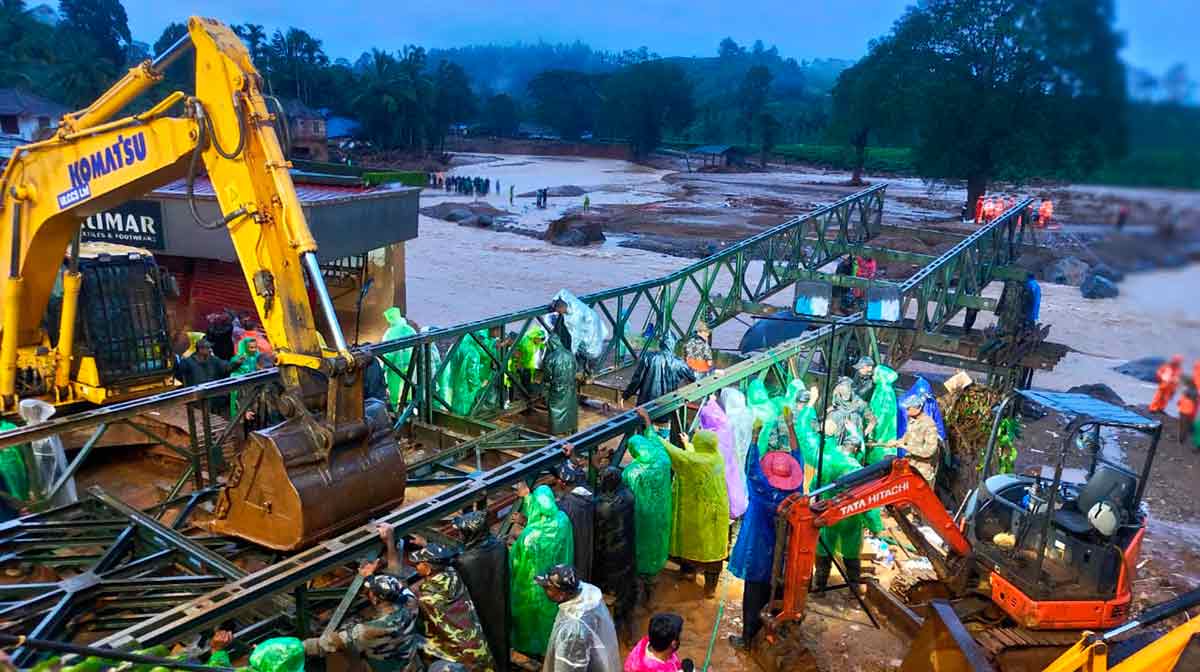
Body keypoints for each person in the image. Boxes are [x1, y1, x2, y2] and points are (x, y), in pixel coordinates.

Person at [728, 407, 805, 649]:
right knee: (779, 595)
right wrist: (791, 425)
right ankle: (776, 634)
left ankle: (748, 638)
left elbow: (751, 465)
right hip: (783, 559)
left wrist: (754, 436)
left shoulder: (760, 490)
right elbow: (798, 454)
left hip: (758, 555)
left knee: (753, 598)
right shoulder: (796, 490)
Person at [639, 409, 729, 597]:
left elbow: (671, 451)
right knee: (712, 550)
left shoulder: (697, 461)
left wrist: (648, 425)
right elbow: (694, 457)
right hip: (716, 513)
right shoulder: (715, 456)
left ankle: (690, 573)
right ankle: (708, 587)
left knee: (694, 541)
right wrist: (688, 444)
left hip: (700, 512)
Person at [303, 572, 425, 672]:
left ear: (375, 599)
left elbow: (324, 644)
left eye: (369, 592)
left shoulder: (367, 631)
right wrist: (369, 576)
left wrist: (297, 646)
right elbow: (397, 575)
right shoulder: (411, 604)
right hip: (410, 664)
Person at [409, 543, 497, 671]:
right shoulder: (453, 573)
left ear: (428, 568)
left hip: (461, 654)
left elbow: (404, 599)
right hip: (479, 644)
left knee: (415, 641)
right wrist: (432, 549)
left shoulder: (427, 598)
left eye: (418, 564)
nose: (416, 567)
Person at [510, 483, 574, 657]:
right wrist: (527, 498)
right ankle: (549, 647)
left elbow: (515, 563)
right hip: (555, 582)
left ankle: (531, 650)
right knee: (549, 615)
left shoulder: (529, 536)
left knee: (530, 620)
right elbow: (542, 514)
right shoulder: (562, 520)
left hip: (531, 586)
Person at [452, 512, 510, 671]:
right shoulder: (499, 546)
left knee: (486, 641)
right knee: (501, 639)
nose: (459, 535)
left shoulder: (464, 561)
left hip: (479, 609)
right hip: (499, 601)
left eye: (461, 532)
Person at [536, 564, 621, 672]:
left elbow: (569, 668)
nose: (544, 589)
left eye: (548, 588)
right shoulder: (585, 592)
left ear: (562, 594)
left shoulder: (573, 631)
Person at [622, 430, 673, 603]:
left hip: (641, 520)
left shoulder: (632, 472)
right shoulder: (663, 460)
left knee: (640, 553)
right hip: (660, 517)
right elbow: (657, 443)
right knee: (656, 550)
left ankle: (638, 597)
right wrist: (648, 424)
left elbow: (620, 490)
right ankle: (650, 598)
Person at [593, 466, 637, 641]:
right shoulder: (628, 496)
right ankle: (627, 625)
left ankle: (615, 627)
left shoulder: (601, 506)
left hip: (609, 553)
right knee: (626, 587)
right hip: (626, 548)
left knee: (610, 587)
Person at [699, 396, 748, 519]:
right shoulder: (725, 426)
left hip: (718, 474)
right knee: (733, 488)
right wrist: (712, 402)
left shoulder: (711, 437)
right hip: (730, 466)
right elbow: (715, 414)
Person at [623, 336, 696, 406]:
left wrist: (626, 395)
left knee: (643, 417)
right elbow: (693, 377)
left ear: (661, 344)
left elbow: (637, 380)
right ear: (673, 345)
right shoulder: (679, 363)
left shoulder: (648, 358)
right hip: (667, 405)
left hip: (646, 403)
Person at [555, 457, 595, 583]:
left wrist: (524, 520)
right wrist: (572, 456)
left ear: (561, 483)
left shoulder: (565, 507)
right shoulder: (589, 494)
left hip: (573, 551)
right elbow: (581, 477)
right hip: (587, 547)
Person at [888, 395, 941, 483]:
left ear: (918, 408)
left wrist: (905, 447)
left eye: (909, 408)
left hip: (923, 473)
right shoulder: (912, 421)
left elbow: (929, 451)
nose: (906, 410)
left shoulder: (929, 425)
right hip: (910, 468)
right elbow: (906, 437)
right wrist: (896, 442)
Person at [382, 308, 418, 411]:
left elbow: (388, 354)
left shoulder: (390, 333)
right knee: (408, 392)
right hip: (411, 367)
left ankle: (399, 417)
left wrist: (383, 369)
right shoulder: (410, 330)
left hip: (395, 370)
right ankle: (409, 411)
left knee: (396, 395)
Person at [544, 334, 578, 435]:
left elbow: (547, 375)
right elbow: (576, 368)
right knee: (570, 408)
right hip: (570, 386)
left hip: (557, 388)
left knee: (555, 410)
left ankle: (556, 430)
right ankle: (571, 429)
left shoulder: (551, 358)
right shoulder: (570, 354)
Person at [867, 363, 900, 457]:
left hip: (882, 431)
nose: (872, 376)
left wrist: (874, 429)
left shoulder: (885, 391)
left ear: (881, 376)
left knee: (878, 454)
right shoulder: (880, 388)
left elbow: (884, 414)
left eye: (875, 374)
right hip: (876, 425)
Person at [228, 337, 259, 416]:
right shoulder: (237, 359)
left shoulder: (258, 356)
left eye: (255, 347)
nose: (254, 349)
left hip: (254, 387)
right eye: (251, 347)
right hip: (242, 389)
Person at [1178, 372, 1197, 446]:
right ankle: (1183, 438)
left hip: (1186, 410)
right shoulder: (1191, 390)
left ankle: (1182, 440)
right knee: (1185, 424)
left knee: (1184, 425)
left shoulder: (1188, 390)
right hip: (1187, 410)